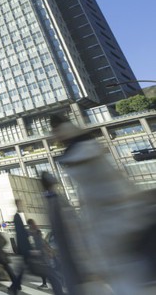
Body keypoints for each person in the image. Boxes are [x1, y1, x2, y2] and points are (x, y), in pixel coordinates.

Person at [52, 116, 156, 293]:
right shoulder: (91, 167)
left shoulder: (90, 165)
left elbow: (112, 206)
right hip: (119, 245)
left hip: (124, 243)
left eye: (57, 132)